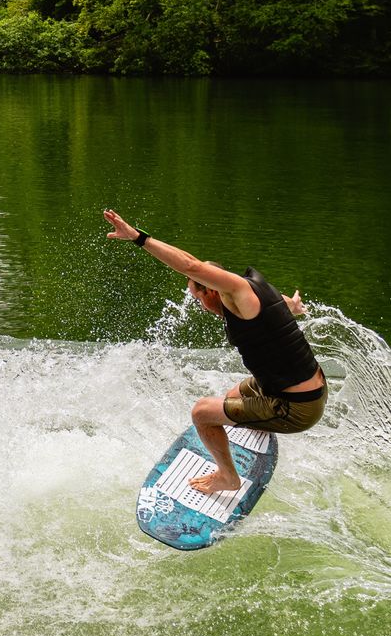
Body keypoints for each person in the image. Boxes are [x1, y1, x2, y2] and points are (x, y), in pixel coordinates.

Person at [104, 209, 325, 494]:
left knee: (202, 413)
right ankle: (257, 425)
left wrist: (137, 237)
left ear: (210, 290)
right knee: (233, 396)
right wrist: (293, 307)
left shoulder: (232, 292)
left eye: (198, 299)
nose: (200, 307)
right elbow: (283, 305)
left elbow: (190, 265)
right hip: (311, 390)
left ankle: (227, 477)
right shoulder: (255, 291)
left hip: (297, 408)